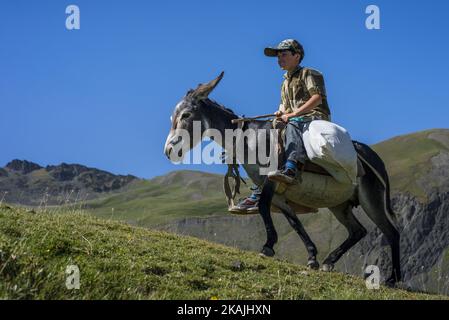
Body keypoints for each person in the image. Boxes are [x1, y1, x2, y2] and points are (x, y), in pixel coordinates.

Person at [229, 38, 331, 213]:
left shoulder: (309, 73)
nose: (279, 59)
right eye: (278, 56)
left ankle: (291, 167)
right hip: (293, 118)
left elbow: (317, 99)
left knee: (291, 124)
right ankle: (263, 186)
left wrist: (291, 114)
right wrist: (280, 111)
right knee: (267, 132)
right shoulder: (284, 82)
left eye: (284, 54)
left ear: (297, 56)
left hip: (314, 117)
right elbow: (284, 106)